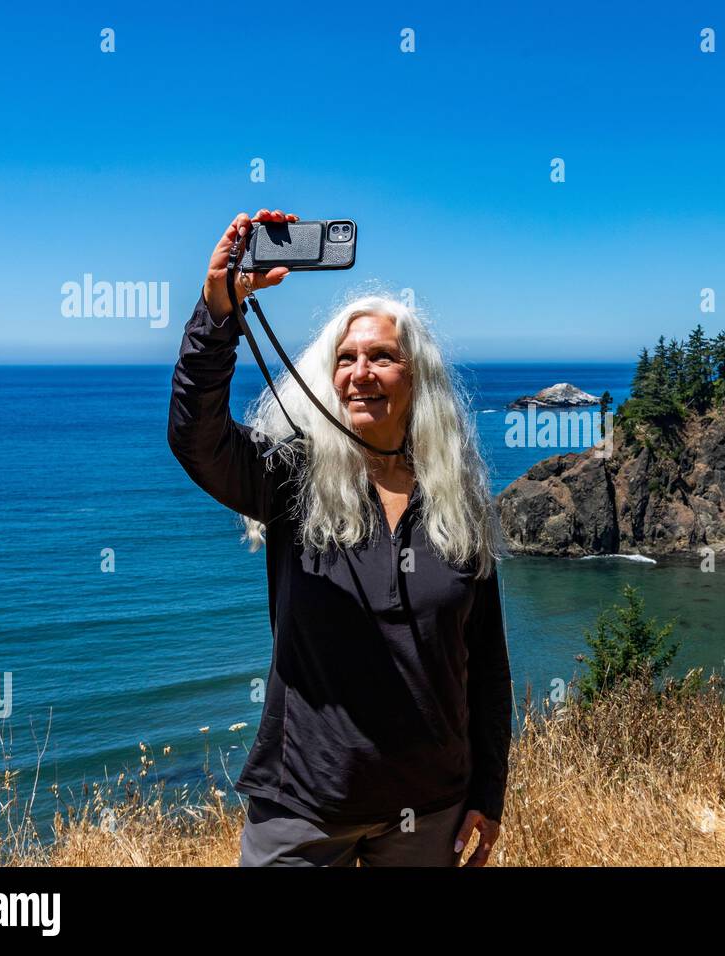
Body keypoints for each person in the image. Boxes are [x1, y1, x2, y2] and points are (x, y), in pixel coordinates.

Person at [167, 209, 512, 866]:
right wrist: (218, 312)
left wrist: (487, 794)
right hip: (303, 808)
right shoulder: (292, 479)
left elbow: (488, 666)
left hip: (429, 809)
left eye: (382, 357)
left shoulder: (455, 500)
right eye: (345, 358)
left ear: (417, 379)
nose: (361, 372)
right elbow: (196, 440)